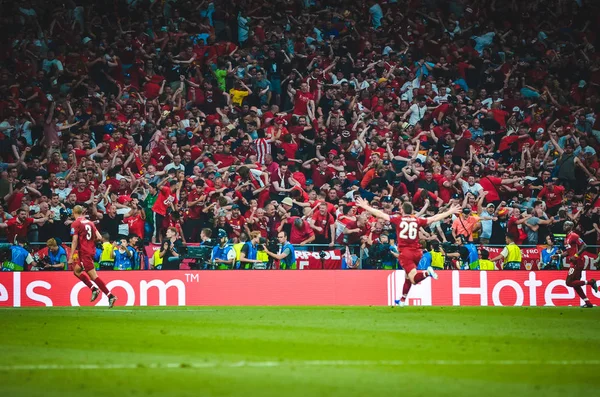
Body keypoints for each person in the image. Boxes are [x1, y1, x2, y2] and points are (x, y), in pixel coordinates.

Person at [355, 197, 461, 306]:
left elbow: (380, 214)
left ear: (402, 210)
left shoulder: (398, 219)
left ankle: (427, 272)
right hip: (417, 252)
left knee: (414, 279)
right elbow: (434, 218)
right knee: (407, 276)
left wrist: (365, 206)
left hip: (406, 253)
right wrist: (450, 211)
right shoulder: (417, 219)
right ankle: (402, 300)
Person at [68, 205, 117, 308]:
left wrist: (71, 256)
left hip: (84, 252)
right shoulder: (90, 223)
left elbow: (75, 240)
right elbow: (99, 237)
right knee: (77, 270)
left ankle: (110, 295)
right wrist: (89, 241)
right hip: (90, 251)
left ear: (74, 212)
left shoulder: (75, 223)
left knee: (93, 276)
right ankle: (93, 289)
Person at [559, 221, 598, 308]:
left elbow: (584, 245)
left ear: (571, 227)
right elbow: (568, 252)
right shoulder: (566, 238)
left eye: (566, 225)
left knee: (569, 282)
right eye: (564, 225)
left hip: (577, 262)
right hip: (574, 262)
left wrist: (576, 256)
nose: (564, 226)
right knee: (575, 284)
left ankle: (591, 282)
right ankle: (588, 303)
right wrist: (559, 255)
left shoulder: (574, 235)